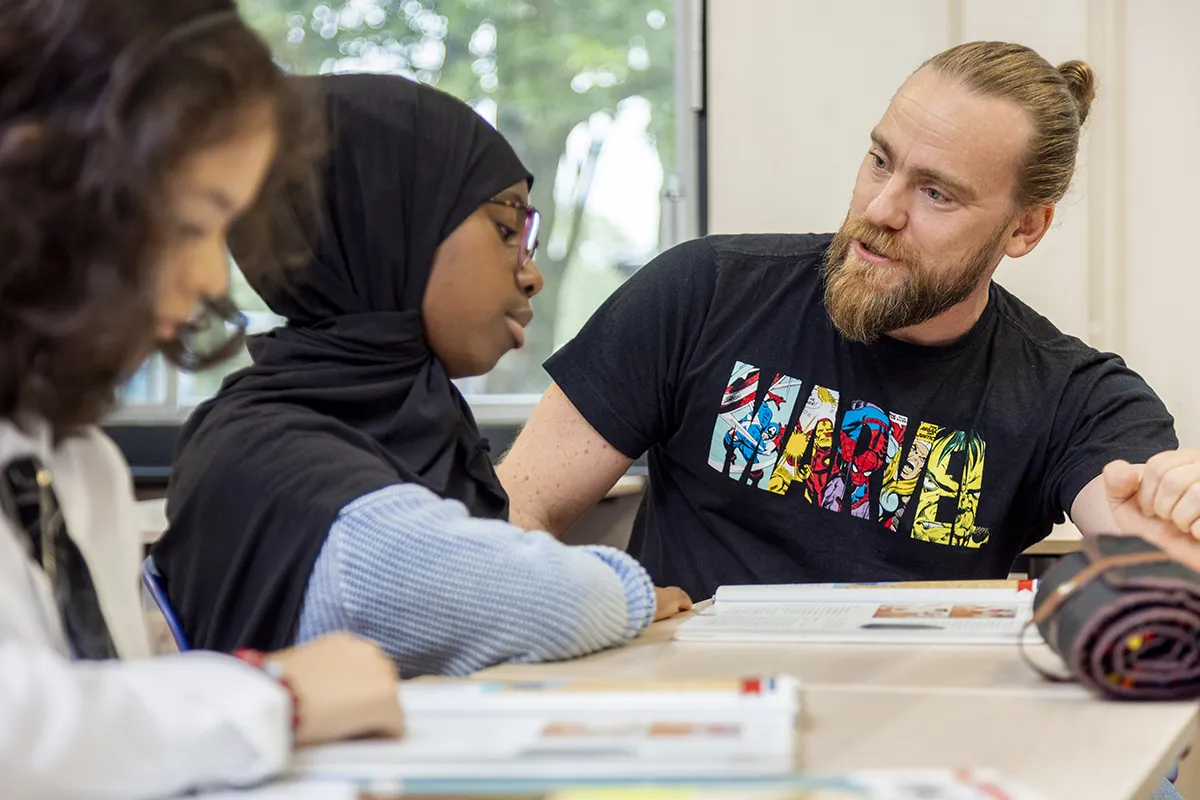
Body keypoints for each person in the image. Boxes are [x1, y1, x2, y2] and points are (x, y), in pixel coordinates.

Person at [497, 40, 1200, 604]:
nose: (880, 209)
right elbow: (512, 517)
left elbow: (1157, 557)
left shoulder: (1074, 395)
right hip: (698, 718)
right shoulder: (703, 293)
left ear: (1024, 229)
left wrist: (1170, 526)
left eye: (935, 192)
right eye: (879, 161)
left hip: (914, 738)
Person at [153, 72, 691, 679]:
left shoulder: (408, 414)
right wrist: (627, 590)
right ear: (393, 226)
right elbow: (555, 605)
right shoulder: (265, 446)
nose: (531, 274)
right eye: (507, 231)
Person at [0, 2, 404, 797]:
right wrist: (274, 698)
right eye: (190, 224)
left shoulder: (80, 470)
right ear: (44, 187)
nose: (214, 282)